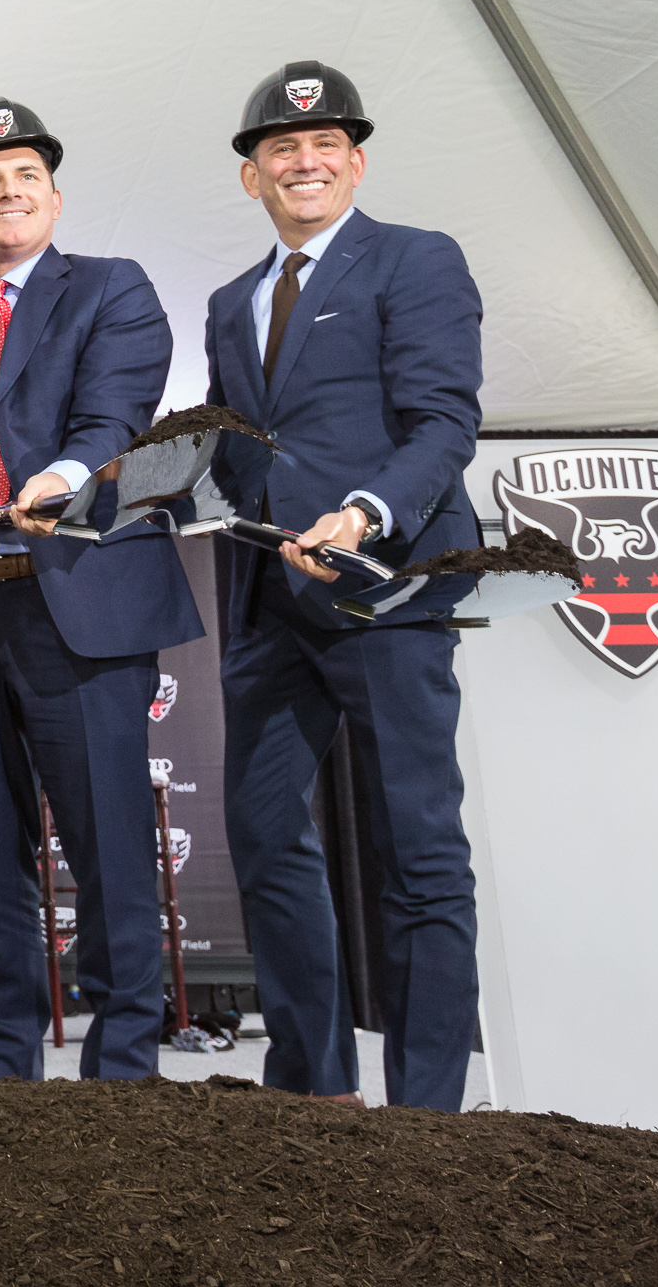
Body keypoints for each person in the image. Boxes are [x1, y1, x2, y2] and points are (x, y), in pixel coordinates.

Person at [0, 99, 203, 1083]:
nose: (6, 191)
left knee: (108, 848)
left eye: (24, 175)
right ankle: (4, 1077)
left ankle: (120, 1077)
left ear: (53, 198)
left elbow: (113, 416)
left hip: (82, 608)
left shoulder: (112, 289)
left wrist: (63, 478)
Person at [206, 62, 483, 1111]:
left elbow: (443, 423)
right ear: (252, 177)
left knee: (418, 842)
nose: (303, 160)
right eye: (280, 148)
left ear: (355, 162)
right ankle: (313, 1093)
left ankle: (425, 1114)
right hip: (272, 603)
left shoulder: (414, 261)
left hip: (389, 590)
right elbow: (238, 444)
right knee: (265, 830)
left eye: (324, 146)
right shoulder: (232, 302)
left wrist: (364, 512)